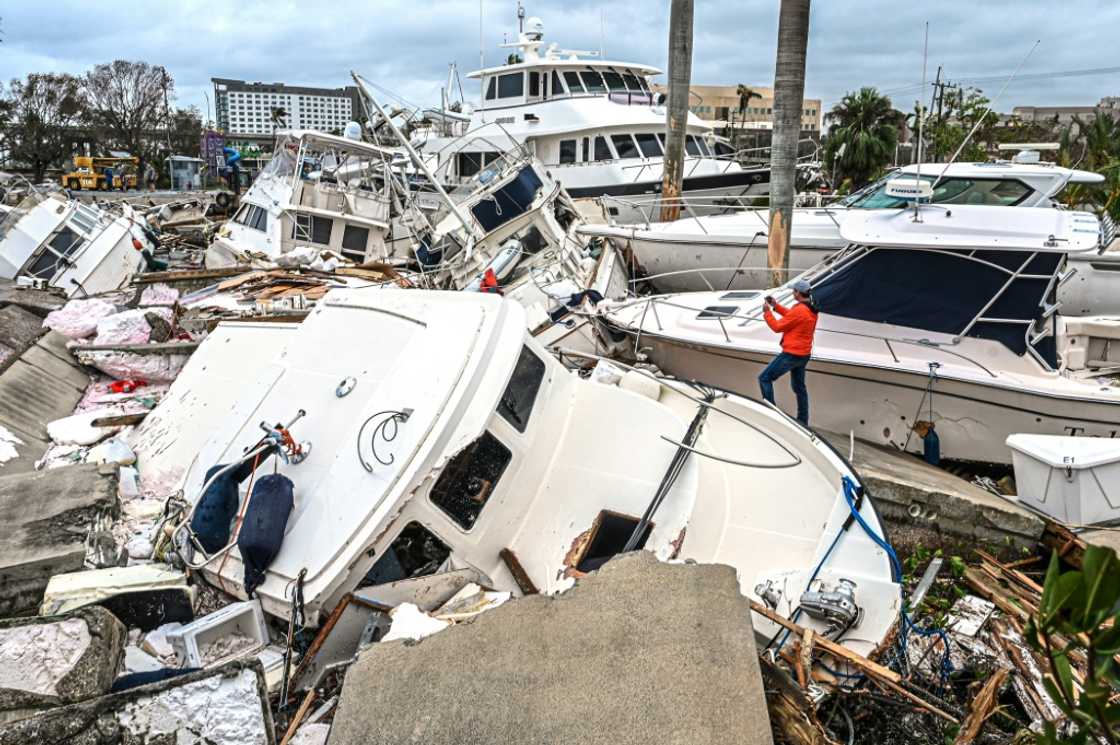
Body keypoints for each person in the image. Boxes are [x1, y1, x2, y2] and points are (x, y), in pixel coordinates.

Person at [758, 278, 819, 426]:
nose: (792, 292)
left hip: (792, 354)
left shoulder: (800, 310)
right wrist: (775, 306)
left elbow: (777, 327)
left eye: (793, 290)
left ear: (798, 293)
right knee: (799, 388)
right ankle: (803, 420)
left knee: (764, 378)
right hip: (803, 354)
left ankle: (772, 413)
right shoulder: (809, 307)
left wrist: (767, 313)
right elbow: (792, 316)